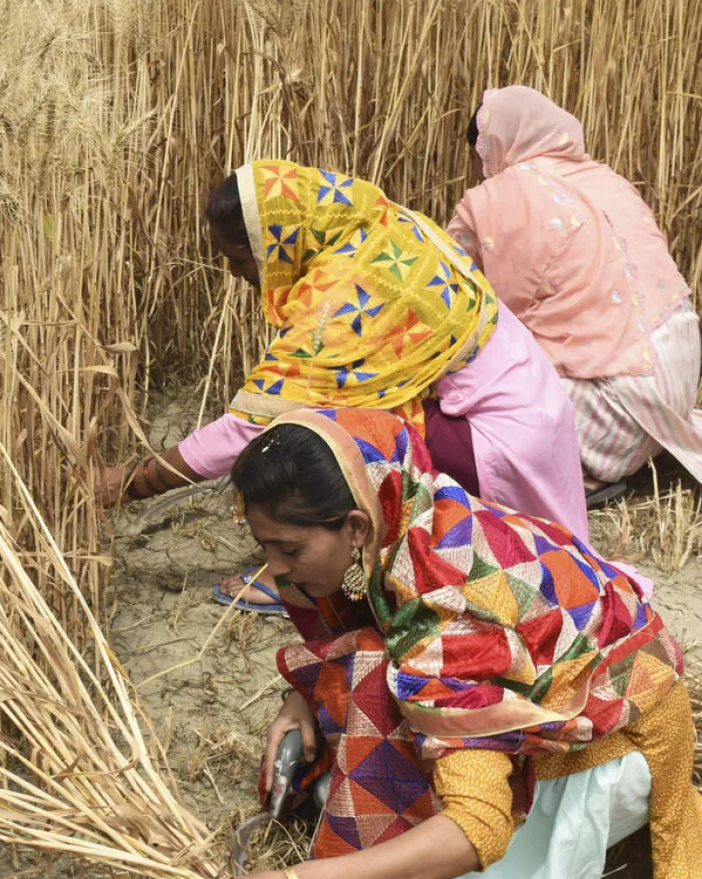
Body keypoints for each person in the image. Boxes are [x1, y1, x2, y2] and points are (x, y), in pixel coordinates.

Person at [197, 408, 702, 879]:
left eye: (290, 550)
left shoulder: (445, 611)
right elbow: (372, 630)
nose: (273, 570)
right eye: (265, 547)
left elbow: (478, 826)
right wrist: (302, 695)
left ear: (356, 527)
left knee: (379, 763)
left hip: (612, 752)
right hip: (569, 691)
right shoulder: (409, 509)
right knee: (365, 672)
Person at [96, 160, 589, 616]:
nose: (234, 274)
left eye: (240, 258)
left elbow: (249, 428)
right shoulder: (377, 224)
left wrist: (132, 482)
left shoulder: (345, 290)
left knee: (320, 432)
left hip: (499, 440)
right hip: (534, 410)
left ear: (276, 243)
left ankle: (316, 576)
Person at [449, 86, 701, 507]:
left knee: (466, 383)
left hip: (618, 418)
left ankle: (584, 472)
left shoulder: (491, 200)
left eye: (481, 155)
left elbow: (450, 287)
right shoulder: (607, 178)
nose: (482, 169)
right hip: (677, 388)